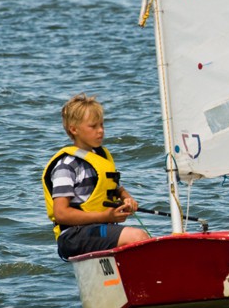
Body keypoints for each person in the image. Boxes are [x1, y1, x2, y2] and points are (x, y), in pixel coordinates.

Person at [42, 93, 150, 260]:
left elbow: (116, 189)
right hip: (73, 236)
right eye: (93, 126)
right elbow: (61, 213)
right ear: (74, 129)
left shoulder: (101, 158)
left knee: (148, 241)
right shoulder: (67, 165)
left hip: (98, 229)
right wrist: (106, 216)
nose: (100, 131)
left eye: (102, 125)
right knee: (138, 238)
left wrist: (127, 200)